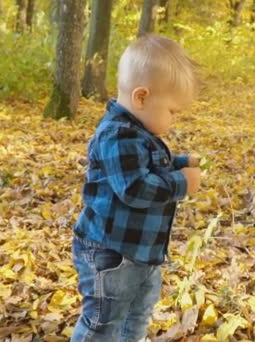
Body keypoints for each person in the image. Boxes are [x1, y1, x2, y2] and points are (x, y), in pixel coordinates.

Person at [71, 34, 202, 341]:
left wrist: (180, 162)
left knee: (137, 313)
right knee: (104, 321)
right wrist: (181, 183)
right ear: (141, 97)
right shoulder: (117, 135)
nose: (173, 120)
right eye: (172, 112)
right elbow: (134, 187)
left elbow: (150, 164)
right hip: (111, 253)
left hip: (141, 253)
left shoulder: (138, 132)